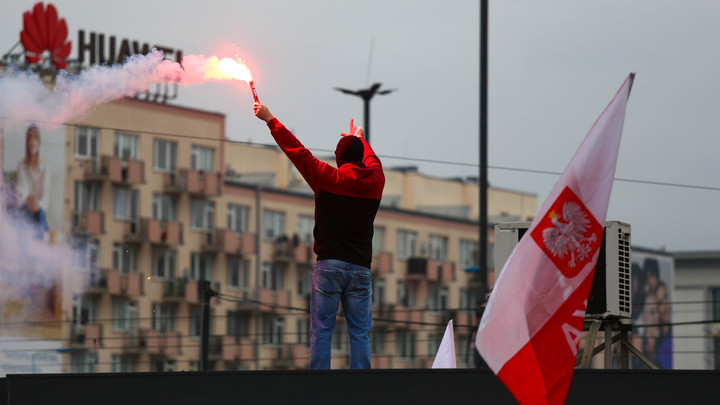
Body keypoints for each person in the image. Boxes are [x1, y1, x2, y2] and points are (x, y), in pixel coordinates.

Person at [253, 102, 385, 369]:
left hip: (329, 266)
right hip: (361, 269)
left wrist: (270, 119)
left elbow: (296, 151)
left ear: (338, 159)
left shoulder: (327, 178)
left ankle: (319, 387)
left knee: (321, 330)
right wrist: (360, 139)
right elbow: (373, 162)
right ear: (361, 158)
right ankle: (363, 388)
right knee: (360, 333)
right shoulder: (376, 182)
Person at [15, 124, 50, 240]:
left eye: (35, 138)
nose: (32, 142)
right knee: (23, 215)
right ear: (27, 143)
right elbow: (20, 193)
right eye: (30, 138)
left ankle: (39, 247)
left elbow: (45, 198)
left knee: (39, 215)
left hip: (38, 212)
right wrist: (29, 200)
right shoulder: (21, 167)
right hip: (25, 209)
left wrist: (37, 203)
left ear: (39, 142)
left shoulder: (45, 169)